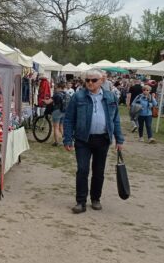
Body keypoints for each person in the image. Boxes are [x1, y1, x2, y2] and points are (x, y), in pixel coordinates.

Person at [63, 69, 124, 214]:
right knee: (82, 170)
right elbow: (69, 119)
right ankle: (81, 201)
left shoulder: (110, 97)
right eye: (88, 80)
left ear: (101, 80)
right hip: (83, 139)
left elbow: (115, 119)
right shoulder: (78, 97)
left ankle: (96, 199)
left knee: (98, 171)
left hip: (102, 139)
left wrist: (119, 139)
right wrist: (67, 138)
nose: (90, 83)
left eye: (93, 80)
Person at [48, 82, 67, 146]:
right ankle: (66, 140)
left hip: (57, 111)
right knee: (61, 127)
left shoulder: (56, 94)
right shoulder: (66, 94)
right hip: (64, 111)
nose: (55, 89)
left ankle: (56, 142)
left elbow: (48, 102)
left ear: (59, 87)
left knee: (56, 127)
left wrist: (44, 101)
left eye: (56, 87)